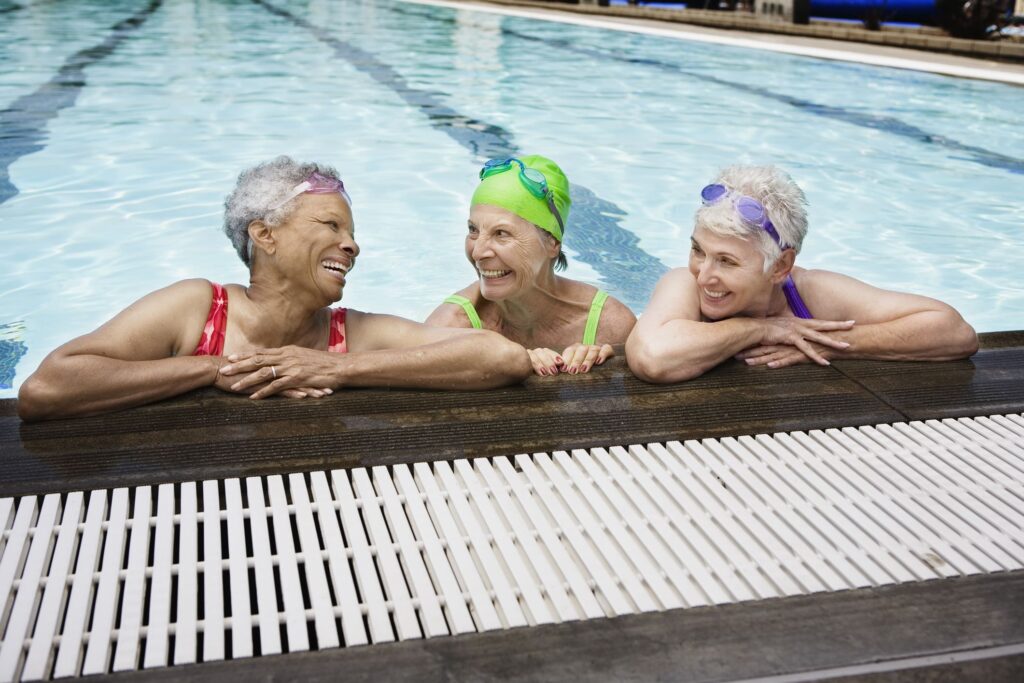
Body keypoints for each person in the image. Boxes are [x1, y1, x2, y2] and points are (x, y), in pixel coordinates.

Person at [17, 156, 531, 421]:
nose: (351, 246)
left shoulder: (349, 334)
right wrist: (212, 368)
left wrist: (337, 366)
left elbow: (502, 358)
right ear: (263, 234)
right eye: (331, 226)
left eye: (351, 234)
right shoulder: (198, 309)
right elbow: (46, 389)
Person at [627, 165, 978, 383]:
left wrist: (836, 345)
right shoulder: (684, 285)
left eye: (727, 261)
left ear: (780, 266)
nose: (704, 275)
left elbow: (955, 332)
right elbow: (653, 358)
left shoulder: (811, 293)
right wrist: (762, 329)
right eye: (698, 250)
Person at [426, 155, 635, 376]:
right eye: (473, 230)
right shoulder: (452, 325)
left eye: (501, 234)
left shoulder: (610, 325)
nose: (478, 252)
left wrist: (601, 370)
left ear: (552, 244)